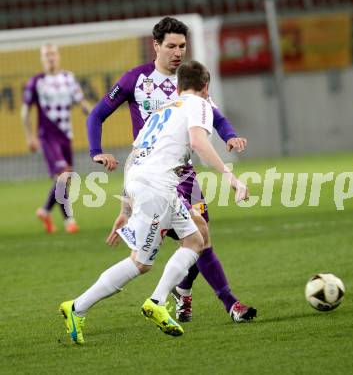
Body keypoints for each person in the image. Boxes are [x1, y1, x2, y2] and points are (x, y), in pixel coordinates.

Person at [59, 60, 249, 344]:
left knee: (197, 238)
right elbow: (198, 143)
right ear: (205, 87)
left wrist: (126, 206)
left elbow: (135, 155)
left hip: (145, 182)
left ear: (179, 85)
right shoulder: (200, 105)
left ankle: (158, 300)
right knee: (140, 263)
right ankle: (77, 307)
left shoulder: (163, 109)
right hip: (157, 187)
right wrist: (230, 177)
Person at [87, 17, 256, 322]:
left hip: (184, 174)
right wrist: (96, 152)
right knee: (170, 249)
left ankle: (225, 302)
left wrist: (230, 136)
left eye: (182, 46)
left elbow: (215, 116)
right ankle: (172, 294)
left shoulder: (188, 83)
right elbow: (96, 115)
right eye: (172, 46)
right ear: (156, 46)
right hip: (151, 174)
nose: (178, 52)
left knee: (199, 238)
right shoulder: (135, 79)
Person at [21, 44, 92, 233]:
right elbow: (25, 111)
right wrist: (29, 137)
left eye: (52, 54)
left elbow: (81, 101)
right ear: (42, 59)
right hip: (47, 135)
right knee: (62, 175)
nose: (50, 58)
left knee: (64, 178)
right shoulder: (37, 82)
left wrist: (94, 114)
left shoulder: (68, 78)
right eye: (46, 55)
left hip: (66, 135)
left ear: (58, 56)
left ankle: (45, 210)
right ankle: (69, 220)